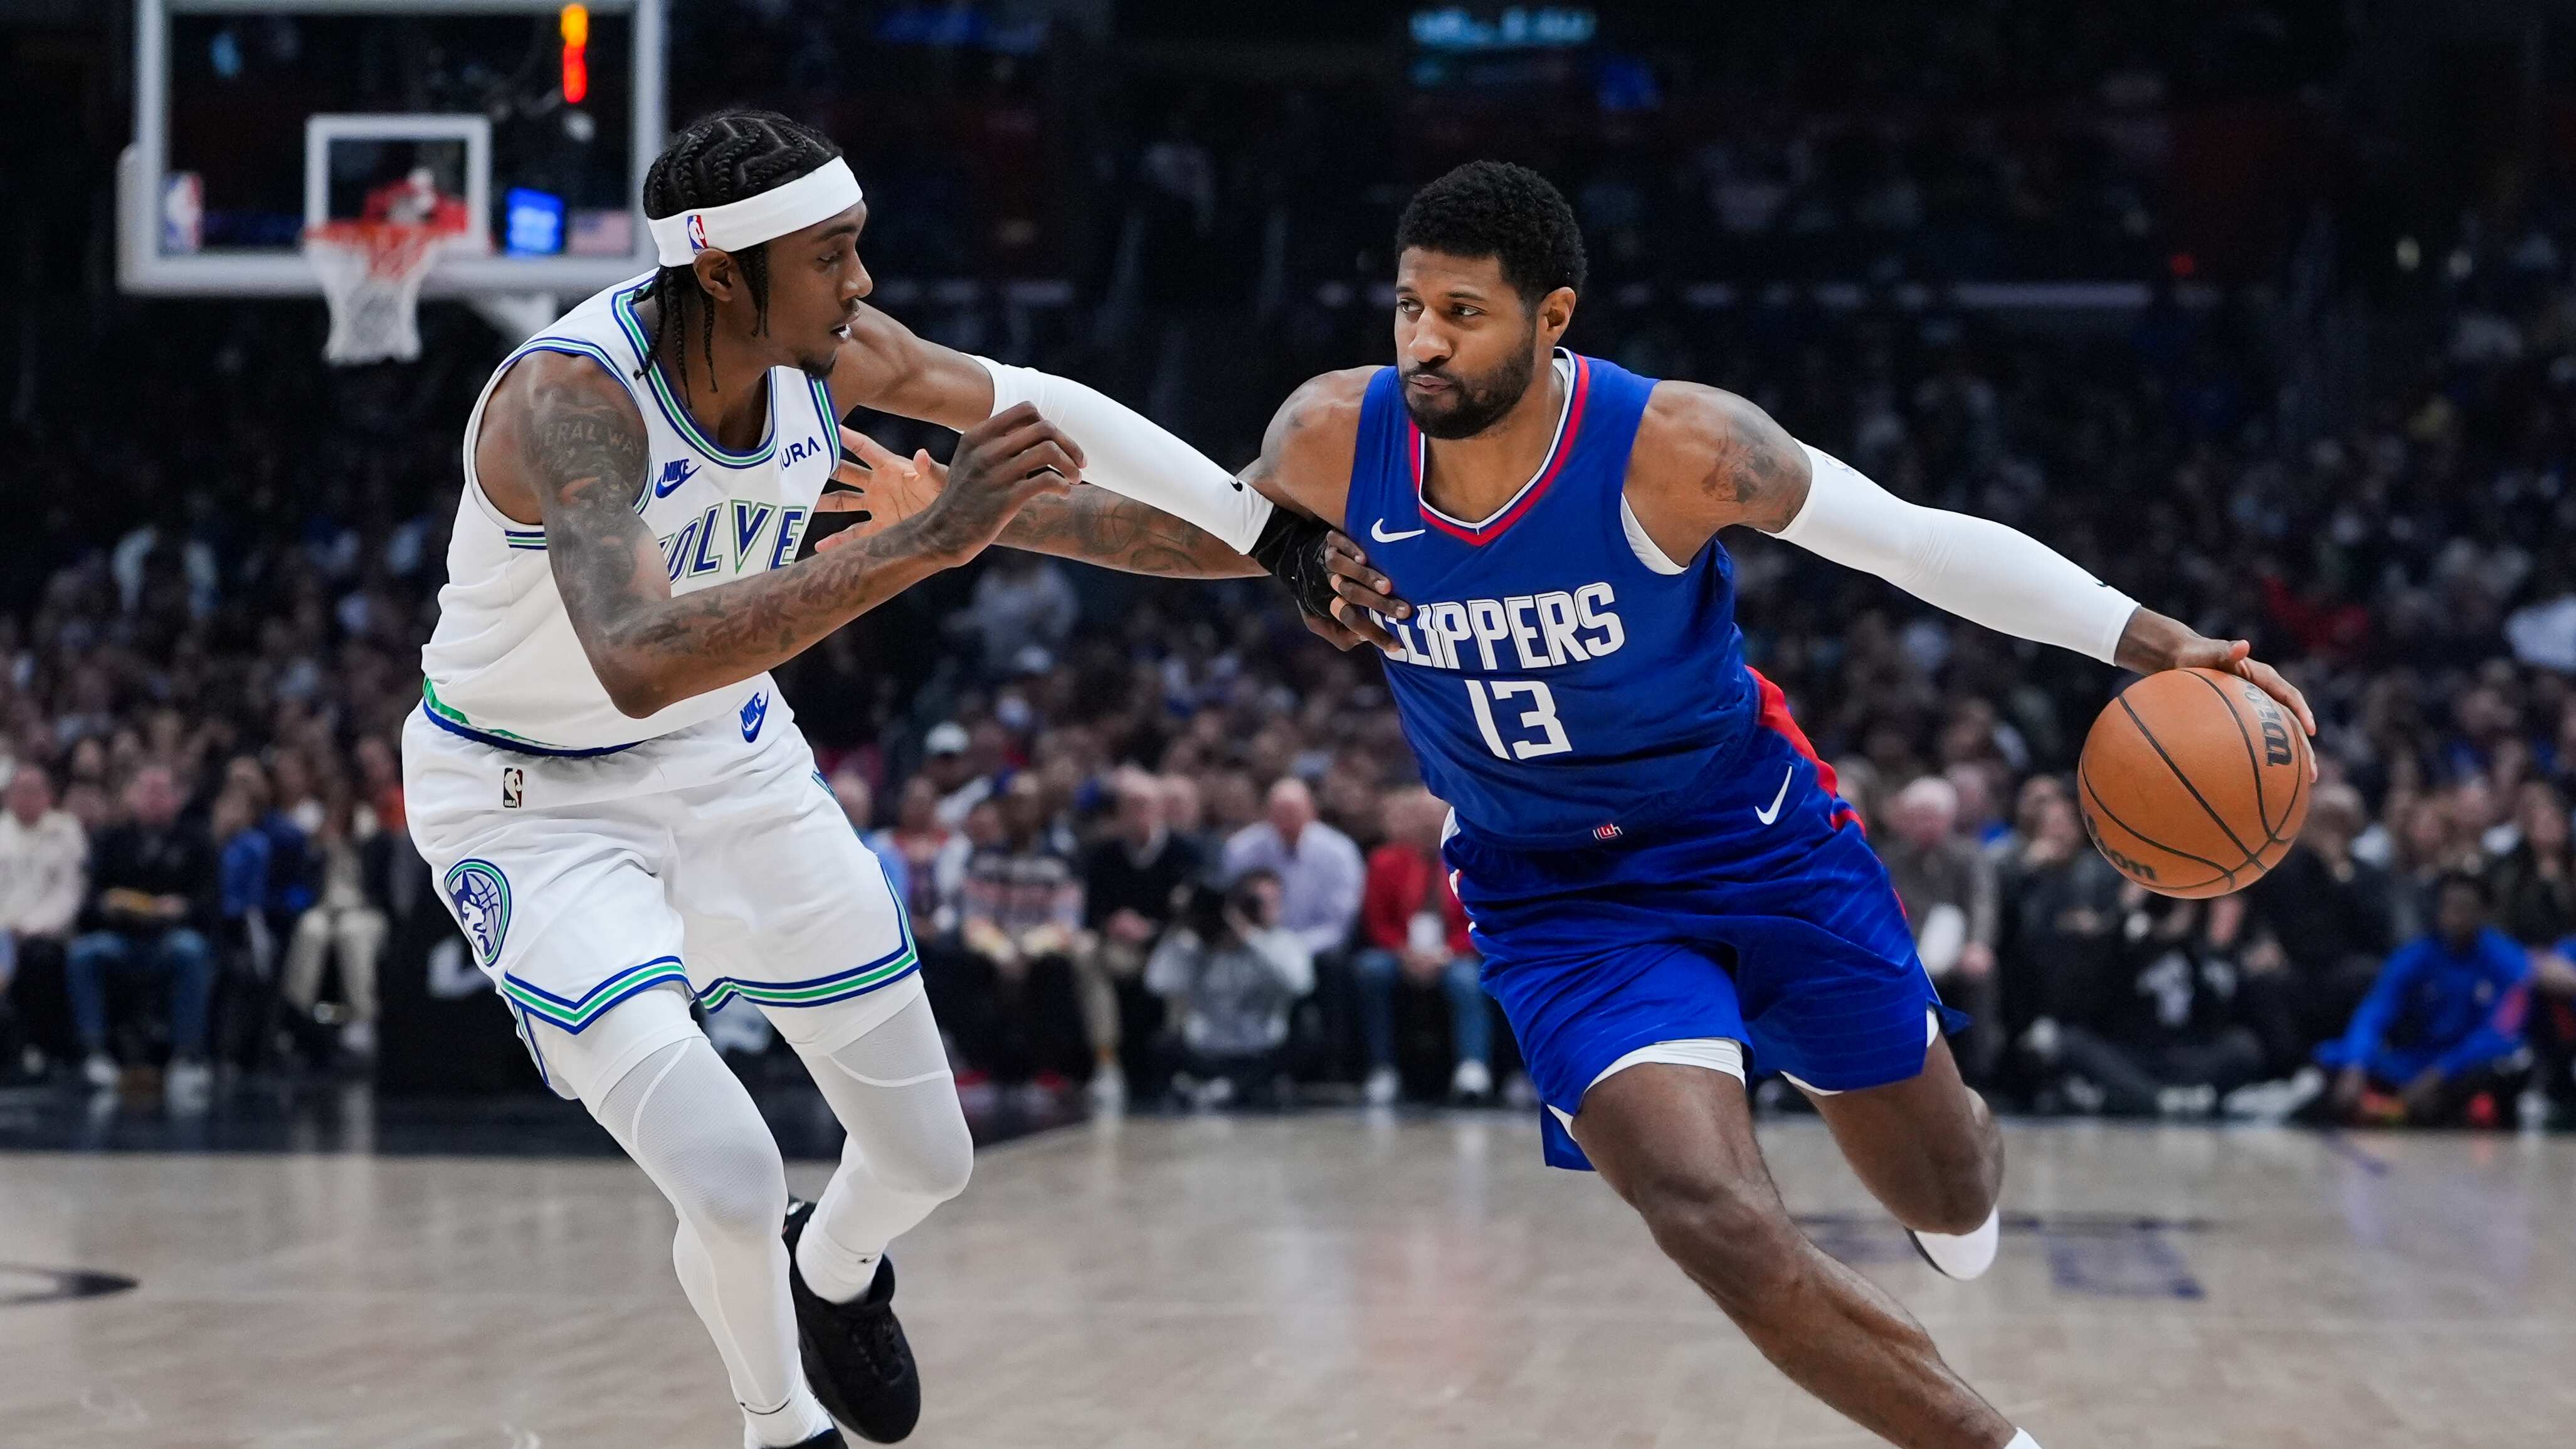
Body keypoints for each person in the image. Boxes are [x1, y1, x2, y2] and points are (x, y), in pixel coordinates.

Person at [1112, 159, 2311, 1448]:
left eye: (1463, 313)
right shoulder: (1334, 437)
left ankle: (1940, 1142)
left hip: (1752, 837)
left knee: (1947, 1188)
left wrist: (2150, 641)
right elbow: (1191, 524)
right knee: (1709, 1215)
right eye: (1409, 307)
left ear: (1551, 318)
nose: (1424, 341)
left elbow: (1909, 538)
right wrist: (980, 516)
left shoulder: (1678, 446)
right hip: (1551, 892)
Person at [400, 109, 1396, 1449]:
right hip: (532, 803)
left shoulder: (835, 354)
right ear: (722, 274)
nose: (861, 282)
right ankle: (779, 1426)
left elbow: (1047, 419)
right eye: (830, 255)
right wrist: (928, 541)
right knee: (727, 1175)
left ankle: (834, 1271)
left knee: (930, 1159)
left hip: (728, 759)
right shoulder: (571, 406)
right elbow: (638, 659)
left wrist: (1270, 538)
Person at [2320, 872, 2532, 1126]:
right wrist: (2356, 1065)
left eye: (2465, 908)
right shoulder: (2416, 955)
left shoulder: (2507, 960)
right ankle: (2393, 1107)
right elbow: (2376, 1010)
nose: (2455, 916)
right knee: (2331, 1057)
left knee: (2514, 1063)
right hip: (2415, 1061)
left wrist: (2440, 1074)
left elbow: (2501, 1029)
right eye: (2449, 906)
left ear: (2484, 913)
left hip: (2465, 1065)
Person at [66, 765, 218, 1106]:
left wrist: (182, 908)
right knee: (84, 953)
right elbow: (88, 902)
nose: (153, 799)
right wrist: (109, 906)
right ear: (132, 797)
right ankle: (94, 1052)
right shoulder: (111, 839)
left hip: (170, 938)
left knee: (191, 951)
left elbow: (211, 905)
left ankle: (187, 1056)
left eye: (161, 792)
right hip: (121, 938)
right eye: (147, 791)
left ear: (176, 799)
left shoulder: (197, 841)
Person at [1354, 787, 1491, 1105]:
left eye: (1433, 815)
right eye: (1420, 816)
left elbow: (1480, 918)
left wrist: (1447, 953)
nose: (1427, 823)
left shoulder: (1471, 858)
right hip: (1401, 953)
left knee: (1467, 981)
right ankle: (1382, 1068)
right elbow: (1378, 922)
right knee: (1371, 971)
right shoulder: (1385, 861)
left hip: (1454, 953)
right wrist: (1404, 952)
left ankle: (1473, 1068)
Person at [1074, 769, 1200, 1107]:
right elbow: (1091, 915)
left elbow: (1195, 911)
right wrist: (1114, 923)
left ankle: (1182, 1063)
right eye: (1129, 805)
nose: (1137, 812)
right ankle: (1106, 1062)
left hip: (1170, 948)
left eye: (1144, 804)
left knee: (1188, 948)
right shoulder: (1103, 855)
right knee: (1084, 952)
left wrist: (1153, 928)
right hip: (1122, 950)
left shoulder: (1185, 852)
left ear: (1160, 808)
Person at [1144, 869, 1314, 1108]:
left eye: (1272, 901)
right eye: (1255, 902)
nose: (1265, 909)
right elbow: (1157, 983)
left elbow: (1299, 985)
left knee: (1308, 1032)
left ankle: (1224, 1088)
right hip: (1208, 1051)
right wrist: (1180, 925)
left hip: (1260, 1051)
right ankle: (1230, 1087)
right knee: (1161, 1044)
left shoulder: (1284, 943)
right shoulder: (1199, 945)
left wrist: (1249, 936)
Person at [1876, 775, 2000, 1081]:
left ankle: (1980, 1070)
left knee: (1977, 977)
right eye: (1918, 818)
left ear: (1949, 818)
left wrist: (1978, 944)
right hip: (1908, 949)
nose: (1925, 825)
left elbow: (1981, 903)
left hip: (1958, 947)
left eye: (1932, 817)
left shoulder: (1969, 855)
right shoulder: (1892, 858)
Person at [280, 787, 390, 1062]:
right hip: (325, 909)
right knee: (310, 929)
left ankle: (364, 1018)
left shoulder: (370, 835)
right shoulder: (320, 839)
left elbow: (381, 886)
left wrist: (356, 840)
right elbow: (307, 883)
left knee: (350, 932)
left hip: (365, 911)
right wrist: (321, 847)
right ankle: (296, 1015)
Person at [0, 765, 87, 1069]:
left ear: (48, 796)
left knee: (40, 959)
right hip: (2, 931)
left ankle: (38, 1048)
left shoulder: (66, 831)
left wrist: (29, 928)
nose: (26, 798)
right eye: (20, 791)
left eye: (33, 791)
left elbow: (69, 893)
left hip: (45, 933)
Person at [1220, 777, 1364, 957]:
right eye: (1279, 812)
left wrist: (1292, 949)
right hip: (1254, 945)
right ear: (1267, 813)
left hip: (1317, 950)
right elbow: (1233, 907)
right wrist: (1259, 943)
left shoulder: (1340, 852)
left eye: (1293, 812)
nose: (1286, 820)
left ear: (1312, 812)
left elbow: (1339, 923)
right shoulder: (1242, 848)